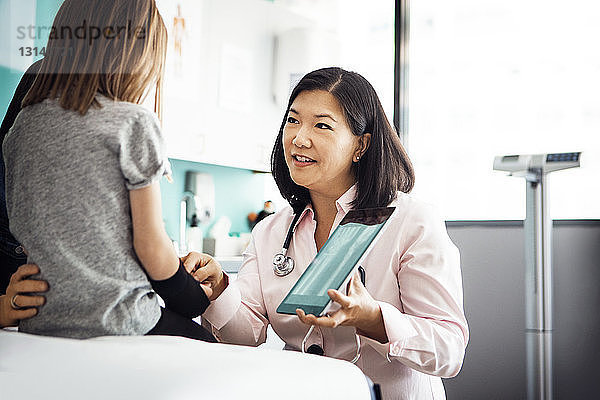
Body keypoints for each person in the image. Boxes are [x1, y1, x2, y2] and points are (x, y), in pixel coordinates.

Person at [195, 67, 469, 399]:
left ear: (361, 145)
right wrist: (219, 289)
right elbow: (247, 334)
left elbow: (448, 349)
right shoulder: (271, 231)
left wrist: (374, 320)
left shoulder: (412, 221)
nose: (299, 138)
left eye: (322, 125)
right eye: (293, 120)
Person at [1, 0, 225, 340]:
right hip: (120, 318)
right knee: (210, 345)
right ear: (136, 55)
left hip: (41, 318)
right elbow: (151, 246)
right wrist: (193, 299)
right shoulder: (132, 123)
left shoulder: (21, 128)